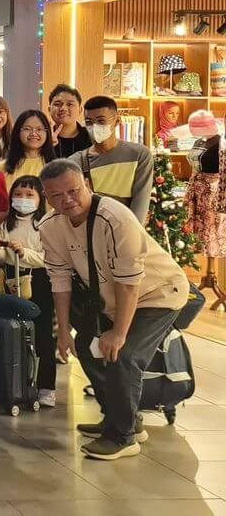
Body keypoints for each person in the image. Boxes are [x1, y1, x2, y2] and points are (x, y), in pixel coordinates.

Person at [40, 159, 189, 460]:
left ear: (87, 185)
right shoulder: (50, 226)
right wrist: (63, 331)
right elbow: (60, 280)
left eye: (73, 190)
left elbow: (129, 284)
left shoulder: (115, 218)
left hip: (158, 293)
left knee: (124, 355)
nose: (67, 200)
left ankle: (123, 437)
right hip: (112, 299)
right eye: (57, 195)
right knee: (87, 346)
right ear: (47, 197)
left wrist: (119, 333)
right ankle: (121, 418)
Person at [0, 175, 55, 408]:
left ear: (40, 198)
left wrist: (24, 252)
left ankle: (46, 386)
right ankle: (10, 382)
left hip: (39, 280)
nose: (23, 199)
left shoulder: (46, 225)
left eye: (29, 195)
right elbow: (1, 258)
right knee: (12, 329)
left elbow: (48, 258)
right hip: (11, 278)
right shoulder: (6, 225)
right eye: (17, 194)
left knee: (43, 332)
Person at [70, 96, 154, 224]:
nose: (94, 127)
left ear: (117, 121)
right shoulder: (76, 161)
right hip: (91, 230)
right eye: (89, 122)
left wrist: (130, 232)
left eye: (101, 121)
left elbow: (140, 203)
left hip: (126, 229)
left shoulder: (139, 155)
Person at [2, 109, 52, 183]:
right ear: (17, 132)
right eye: (27, 129)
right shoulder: (2, 168)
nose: (33, 134)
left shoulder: (56, 167)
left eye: (39, 129)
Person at [49, 84, 92, 158]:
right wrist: (46, 148)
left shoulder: (91, 138)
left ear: (80, 110)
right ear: (49, 110)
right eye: (57, 104)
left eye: (70, 104)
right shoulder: (43, 139)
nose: (63, 108)